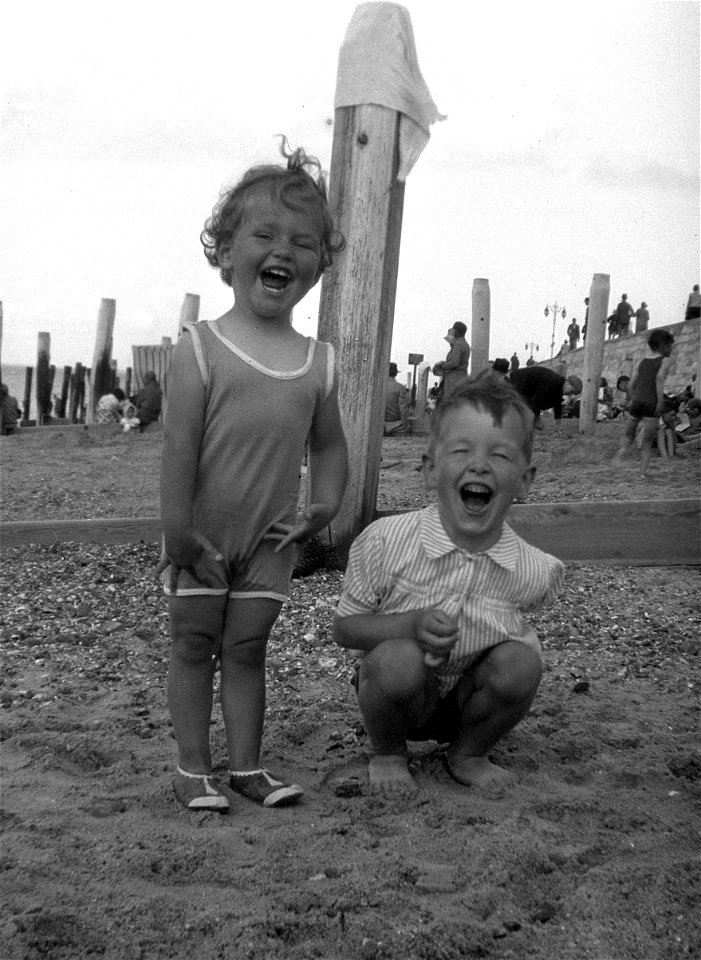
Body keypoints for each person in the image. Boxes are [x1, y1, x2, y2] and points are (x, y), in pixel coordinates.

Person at [158, 141, 349, 812]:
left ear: (319, 265)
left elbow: (328, 447)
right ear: (226, 251)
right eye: (264, 234)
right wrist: (177, 534)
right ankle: (191, 767)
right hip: (202, 538)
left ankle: (245, 766)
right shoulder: (201, 349)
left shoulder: (318, 362)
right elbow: (178, 452)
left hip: (270, 542)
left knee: (245, 651)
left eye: (302, 242)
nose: (282, 250)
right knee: (192, 645)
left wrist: (321, 508)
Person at [333, 377, 564, 795]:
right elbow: (345, 628)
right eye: (462, 451)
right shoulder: (388, 542)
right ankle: (387, 751)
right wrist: (409, 624)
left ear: (525, 480)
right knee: (396, 662)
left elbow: (519, 649)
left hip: (467, 705)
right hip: (400, 693)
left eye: (499, 454)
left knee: (523, 664)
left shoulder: (531, 568)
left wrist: (512, 655)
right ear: (430, 469)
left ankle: (469, 752)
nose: (479, 465)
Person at [613, 328, 675, 477]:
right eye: (670, 346)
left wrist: (634, 398)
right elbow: (660, 378)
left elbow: (630, 385)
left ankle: (618, 460)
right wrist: (660, 401)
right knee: (647, 443)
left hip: (637, 402)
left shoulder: (642, 361)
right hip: (651, 403)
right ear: (663, 346)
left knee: (628, 438)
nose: (672, 349)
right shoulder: (665, 361)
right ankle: (641, 474)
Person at [509, 365, 582, 431]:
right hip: (517, 382)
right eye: (572, 391)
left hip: (525, 387)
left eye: (573, 393)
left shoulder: (558, 387)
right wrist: (538, 420)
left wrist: (558, 426)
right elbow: (535, 402)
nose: (570, 394)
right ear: (567, 383)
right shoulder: (553, 383)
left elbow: (557, 406)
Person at [432, 322, 470, 401]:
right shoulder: (465, 345)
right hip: (462, 377)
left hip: (453, 380)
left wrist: (442, 365)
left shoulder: (458, 344)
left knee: (450, 404)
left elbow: (454, 363)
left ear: (455, 331)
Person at [384, 362, 409, 435]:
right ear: (396, 373)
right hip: (396, 424)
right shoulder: (400, 387)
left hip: (380, 424)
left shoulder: (378, 386)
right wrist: (406, 426)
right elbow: (403, 409)